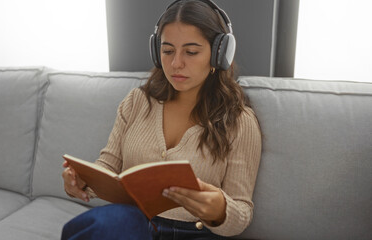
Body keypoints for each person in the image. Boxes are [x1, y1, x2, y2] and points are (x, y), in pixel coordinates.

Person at [61, 0, 262, 239]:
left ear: (219, 54)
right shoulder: (137, 102)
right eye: (167, 51)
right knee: (101, 224)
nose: (176, 63)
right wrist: (81, 181)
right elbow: (107, 167)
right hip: (131, 225)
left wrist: (219, 209)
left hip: (196, 233)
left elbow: (241, 212)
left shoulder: (239, 121)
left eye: (191, 52)